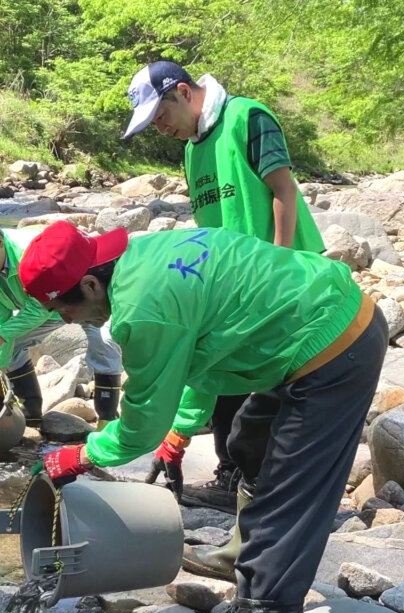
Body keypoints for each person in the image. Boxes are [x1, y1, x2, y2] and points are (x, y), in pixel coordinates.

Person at [19, 221, 386, 613]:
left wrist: (81, 454)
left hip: (332, 352)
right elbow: (203, 352)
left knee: (280, 532)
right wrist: (182, 429)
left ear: (91, 283)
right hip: (307, 320)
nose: (67, 319)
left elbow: (136, 427)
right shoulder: (144, 254)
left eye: (65, 307)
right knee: (245, 443)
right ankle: (236, 551)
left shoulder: (140, 310)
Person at [123, 60, 325, 531]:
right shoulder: (193, 152)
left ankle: (276, 488)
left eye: (161, 116)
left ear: (183, 92)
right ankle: (234, 475)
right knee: (227, 373)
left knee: (278, 385)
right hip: (232, 282)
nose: (162, 128)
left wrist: (278, 267)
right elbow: (210, 230)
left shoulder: (249, 118)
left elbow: (283, 191)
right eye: (153, 124)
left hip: (286, 274)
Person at [0, 214, 123, 428]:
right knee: (8, 346)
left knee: (104, 343)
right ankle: (31, 416)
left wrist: (2, 334)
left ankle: (107, 422)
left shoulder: (29, 253)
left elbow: (39, 307)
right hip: (48, 308)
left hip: (80, 299)